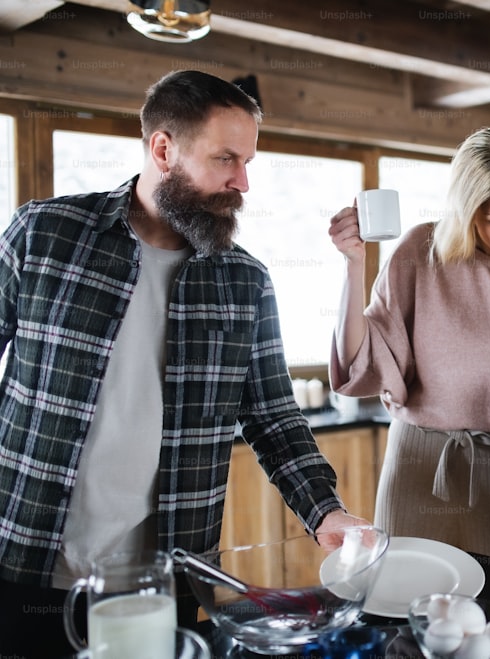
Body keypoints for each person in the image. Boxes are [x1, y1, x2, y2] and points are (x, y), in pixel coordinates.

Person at [0, 70, 367, 657]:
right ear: (164, 149)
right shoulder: (43, 235)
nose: (242, 182)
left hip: (167, 572)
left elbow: (274, 418)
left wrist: (326, 510)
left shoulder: (245, 281)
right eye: (226, 159)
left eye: (248, 162)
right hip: (25, 557)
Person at [327, 124, 490, 566]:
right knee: (406, 608)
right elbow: (359, 363)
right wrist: (354, 266)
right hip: (422, 463)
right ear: (465, 213)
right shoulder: (419, 252)